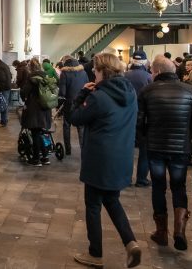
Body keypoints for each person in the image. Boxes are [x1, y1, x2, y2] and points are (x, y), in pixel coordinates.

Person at [70, 53, 141, 269]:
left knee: (93, 205)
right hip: (121, 156)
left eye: (95, 70)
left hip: (99, 158)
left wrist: (82, 93)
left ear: (102, 71)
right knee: (112, 200)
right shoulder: (130, 92)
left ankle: (96, 254)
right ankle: (131, 243)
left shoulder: (99, 97)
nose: (93, 73)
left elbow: (74, 118)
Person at [138, 55, 192, 252]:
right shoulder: (190, 91)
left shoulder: (147, 91)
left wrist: (144, 141)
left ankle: (161, 232)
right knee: (179, 187)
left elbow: (139, 122)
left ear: (157, 72)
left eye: (152, 71)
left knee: (158, 187)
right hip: (180, 148)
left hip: (155, 147)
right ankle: (179, 231)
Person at [124, 52, 152, 187]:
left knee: (127, 148)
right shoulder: (148, 77)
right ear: (145, 62)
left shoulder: (124, 76)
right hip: (144, 117)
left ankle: (126, 178)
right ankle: (141, 178)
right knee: (144, 150)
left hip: (126, 116)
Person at [21, 58, 54, 167]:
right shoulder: (46, 76)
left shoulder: (31, 78)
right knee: (40, 133)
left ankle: (36, 159)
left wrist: (24, 97)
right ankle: (44, 157)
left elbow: (24, 92)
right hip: (45, 108)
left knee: (35, 134)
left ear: (30, 67)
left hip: (34, 109)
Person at [58, 55, 88, 155]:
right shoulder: (83, 72)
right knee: (81, 127)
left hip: (69, 103)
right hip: (81, 103)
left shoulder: (64, 73)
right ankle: (83, 150)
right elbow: (87, 86)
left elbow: (62, 92)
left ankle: (68, 150)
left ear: (65, 62)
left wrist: (59, 104)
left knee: (66, 125)